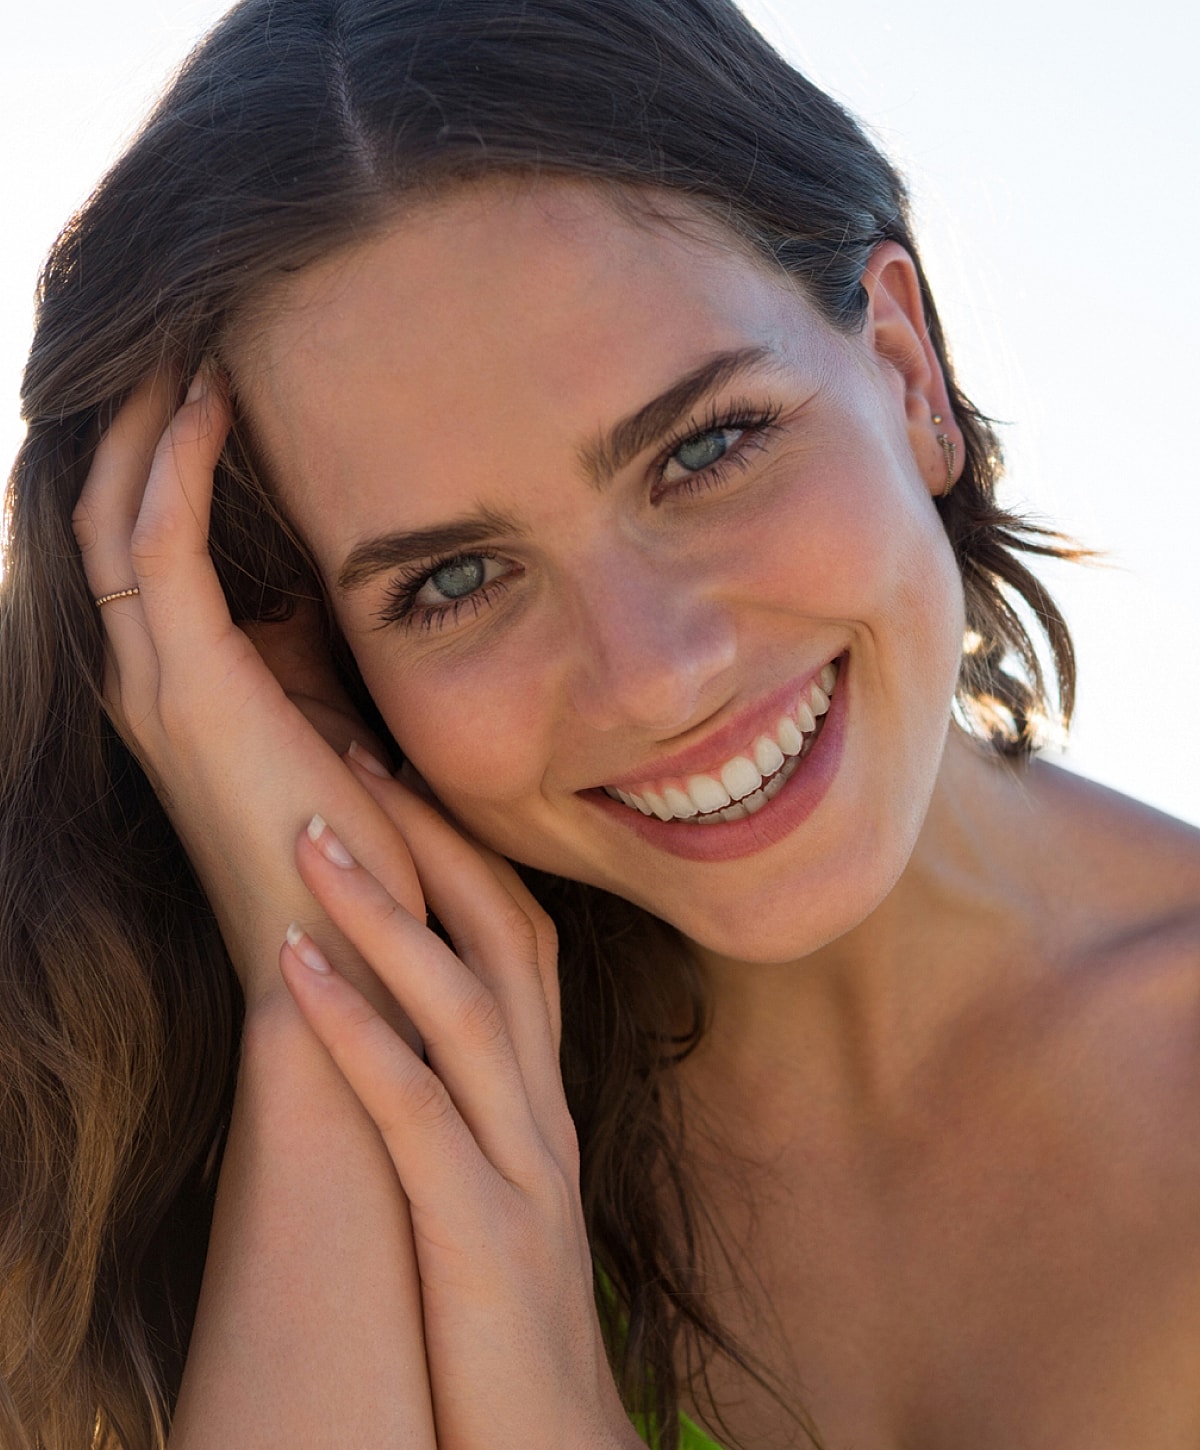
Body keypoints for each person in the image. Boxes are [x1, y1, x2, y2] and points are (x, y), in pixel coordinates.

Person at [3, 1, 1199, 1447]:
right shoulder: (184, 1162)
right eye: (454, 580)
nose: (655, 670)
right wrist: (314, 963)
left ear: (903, 370)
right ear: (304, 654)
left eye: (708, 446)